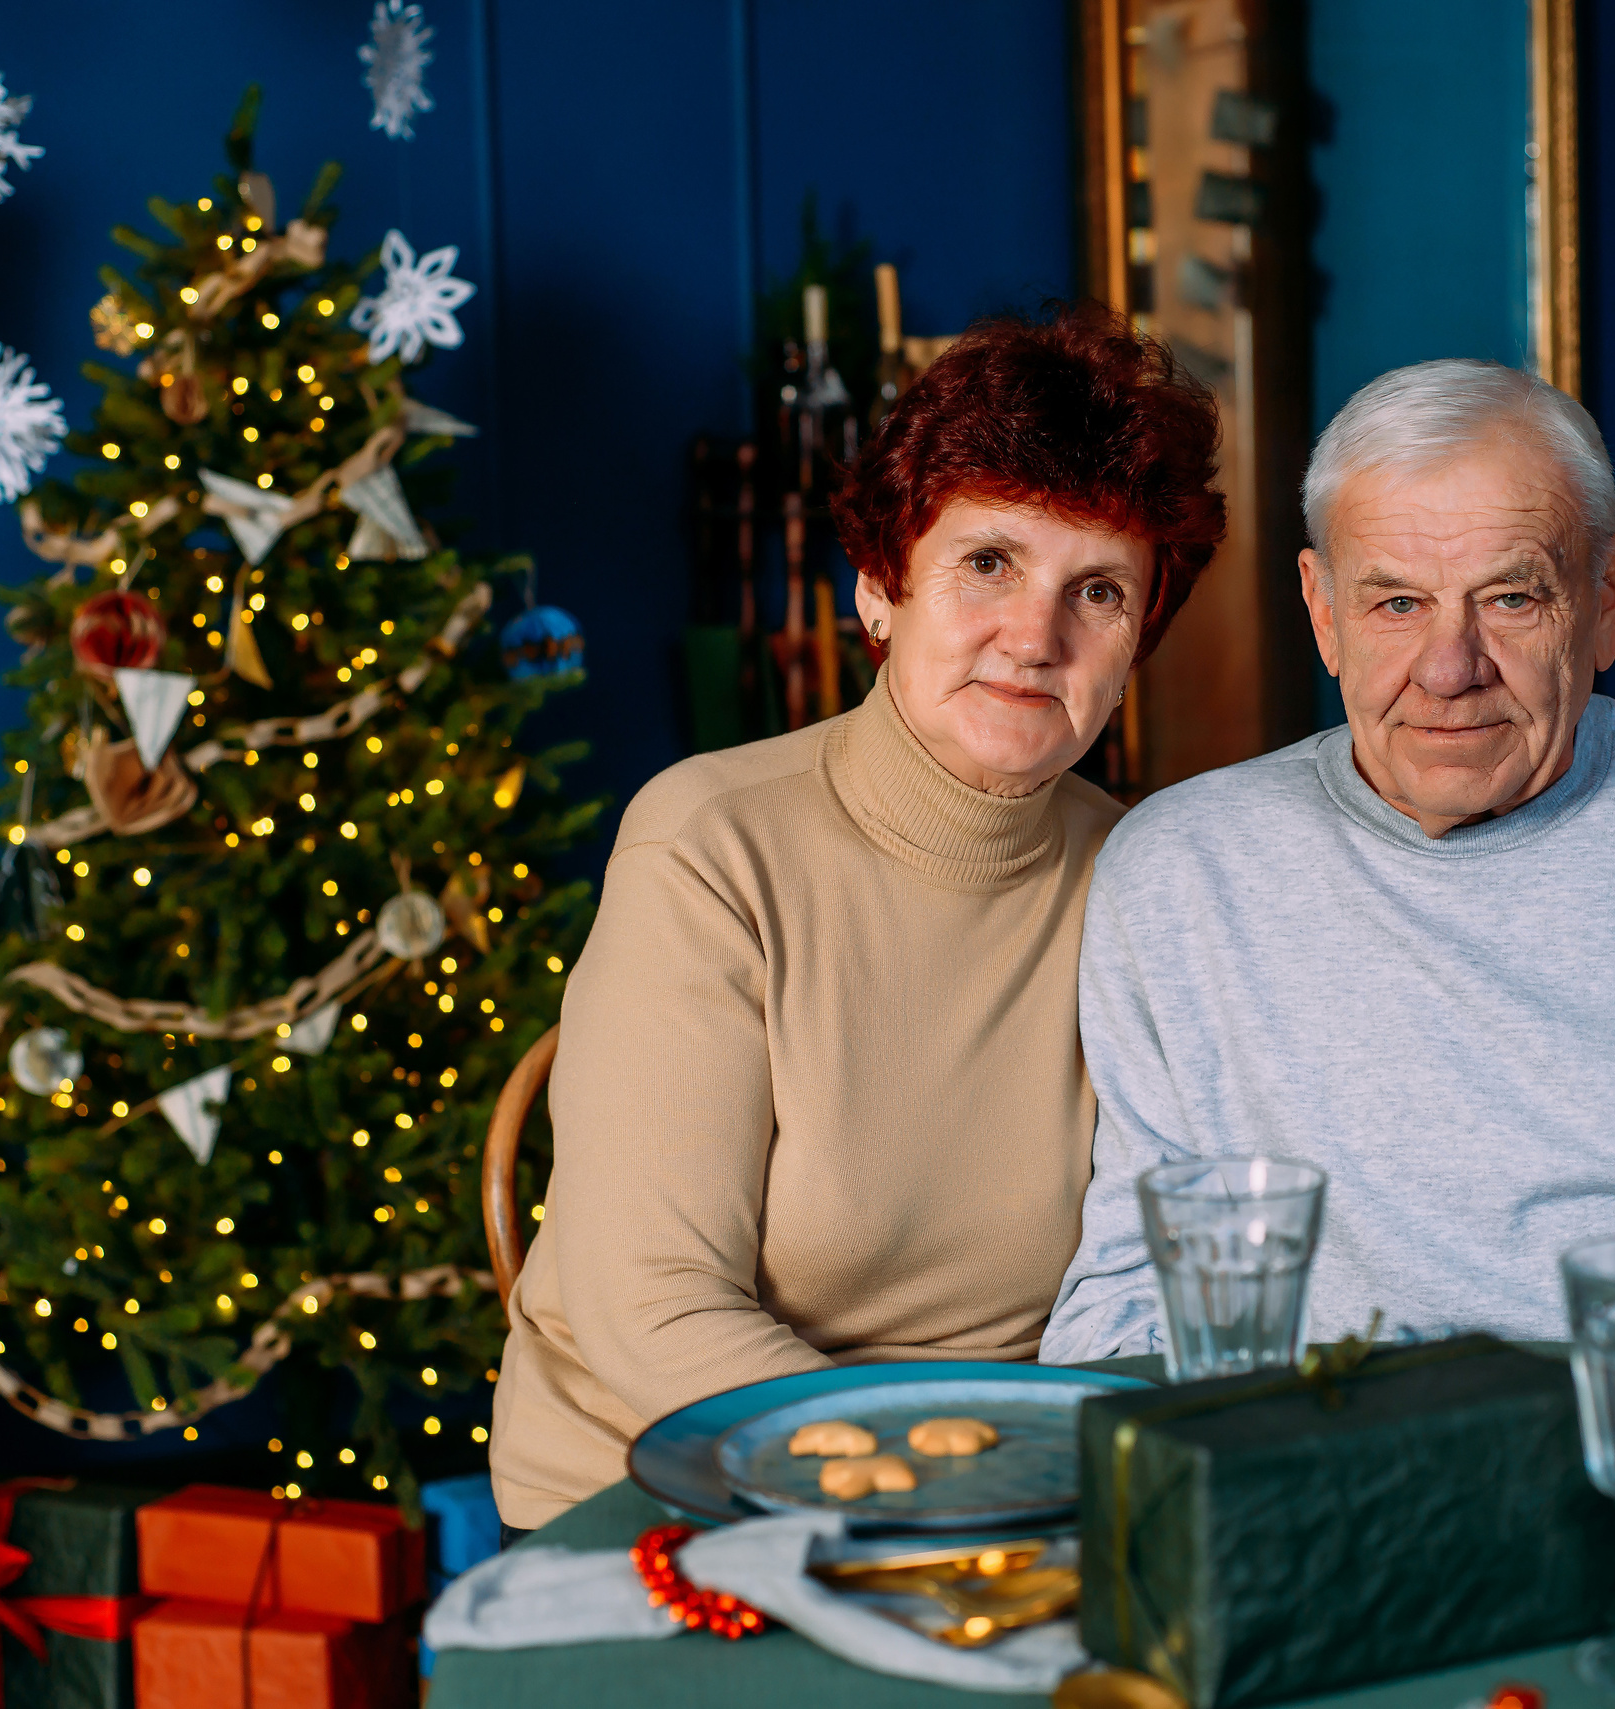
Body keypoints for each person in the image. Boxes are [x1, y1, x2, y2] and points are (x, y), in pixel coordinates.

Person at [1039, 359, 1615, 1364]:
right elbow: (1128, 1303)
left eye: (1511, 598)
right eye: (1395, 603)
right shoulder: (1179, 871)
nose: (1449, 669)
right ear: (1322, 611)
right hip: (1310, 1488)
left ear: (1608, 595)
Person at [489, 309, 1225, 1528]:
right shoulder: (712, 844)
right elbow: (654, 1309)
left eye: (1095, 590)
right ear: (881, 587)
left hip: (1003, 1504)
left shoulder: (1140, 874)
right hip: (672, 1494)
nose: (1034, 638)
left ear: (1137, 639)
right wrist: (964, 1478)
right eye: (987, 562)